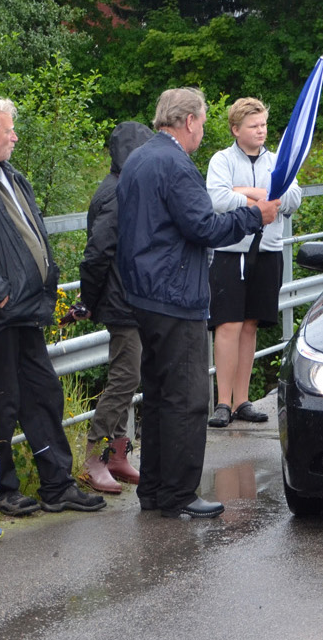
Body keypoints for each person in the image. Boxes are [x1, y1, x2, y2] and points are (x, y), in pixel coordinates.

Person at [116, 87, 278, 518]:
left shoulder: (139, 158)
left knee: (157, 395)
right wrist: (252, 216)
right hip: (174, 294)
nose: (203, 130)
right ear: (188, 121)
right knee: (187, 398)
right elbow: (203, 226)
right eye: (203, 122)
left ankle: (153, 489)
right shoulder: (175, 164)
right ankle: (179, 493)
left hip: (143, 292)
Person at [0, 95, 107, 513]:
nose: (15, 137)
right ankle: (3, 489)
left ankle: (57, 485)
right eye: (8, 130)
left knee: (43, 394)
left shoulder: (12, 176)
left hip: (28, 309)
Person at [205, 98, 303, 427]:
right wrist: (263, 196)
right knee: (228, 325)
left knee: (249, 326)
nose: (261, 131)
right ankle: (222, 402)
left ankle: (242, 401)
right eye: (253, 126)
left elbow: (291, 199)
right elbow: (218, 199)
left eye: (263, 125)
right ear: (236, 130)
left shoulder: (278, 161)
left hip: (268, 251)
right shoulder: (221, 160)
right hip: (231, 253)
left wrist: (248, 192)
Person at [75, 121, 155, 491]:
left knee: (129, 376)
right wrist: (88, 301)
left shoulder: (124, 186)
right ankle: (95, 457)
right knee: (125, 378)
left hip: (130, 297)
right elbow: (97, 255)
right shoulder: (117, 193)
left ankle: (119, 455)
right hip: (121, 300)